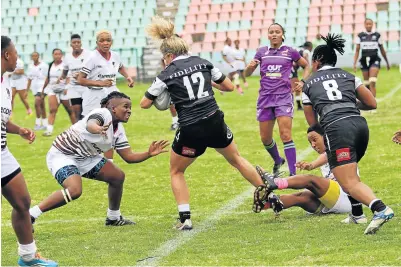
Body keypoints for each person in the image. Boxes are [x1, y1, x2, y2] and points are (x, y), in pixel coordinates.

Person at [140, 16, 265, 230]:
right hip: (214, 119)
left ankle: (185, 219)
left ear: (169, 55)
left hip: (191, 127)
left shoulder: (166, 73)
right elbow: (228, 87)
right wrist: (208, 85)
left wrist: (168, 94)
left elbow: (144, 103)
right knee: (236, 158)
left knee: (176, 171)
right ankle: (269, 196)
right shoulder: (203, 62)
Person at [29, 92, 169, 227]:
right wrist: (98, 129)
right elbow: (91, 123)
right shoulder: (103, 113)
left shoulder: (118, 130)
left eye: (130, 108)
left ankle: (113, 217)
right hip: (63, 154)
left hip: (86, 157)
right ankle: (31, 214)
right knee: (74, 190)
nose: (129, 110)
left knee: (117, 176)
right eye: (125, 107)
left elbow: (129, 157)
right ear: (113, 108)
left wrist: (148, 153)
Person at [301, 33, 393, 234]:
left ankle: (380, 209)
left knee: (348, 181)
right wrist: (348, 105)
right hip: (360, 126)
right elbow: (371, 103)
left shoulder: (308, 83)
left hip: (337, 128)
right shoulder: (349, 76)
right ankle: (357, 214)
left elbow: (313, 123)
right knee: (345, 174)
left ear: (316, 61)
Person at [1, 36, 58, 267]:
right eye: (16, 53)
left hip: (2, 152)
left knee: (23, 202)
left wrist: (19, 130)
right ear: (6, 55)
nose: (18, 58)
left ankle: (28, 256)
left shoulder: (5, 85)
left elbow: (2, 120)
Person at [254, 124, 368, 224]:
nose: (313, 145)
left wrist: (312, 165)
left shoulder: (339, 147)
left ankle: (276, 182)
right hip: (334, 199)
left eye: (314, 139)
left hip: (347, 198)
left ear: (326, 136)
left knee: (310, 180)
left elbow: (328, 155)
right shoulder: (328, 153)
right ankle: (267, 202)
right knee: (301, 197)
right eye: (310, 142)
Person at [244, 23, 310, 177]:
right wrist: (249, 67)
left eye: (277, 32)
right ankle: (278, 160)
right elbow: (246, 74)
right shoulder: (261, 52)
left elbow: (306, 66)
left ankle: (293, 174)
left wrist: (302, 81)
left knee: (285, 135)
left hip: (283, 98)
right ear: (268, 35)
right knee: (265, 138)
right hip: (265, 98)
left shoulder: (290, 52)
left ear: (282, 35)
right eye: (271, 32)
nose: (274, 34)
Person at [77, 30, 134, 117]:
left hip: (112, 92)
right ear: (97, 43)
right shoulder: (91, 57)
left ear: (112, 42)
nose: (105, 43)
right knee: (92, 124)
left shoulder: (115, 55)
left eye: (108, 40)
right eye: (102, 40)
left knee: (115, 119)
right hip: (94, 95)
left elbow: (120, 67)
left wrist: (127, 76)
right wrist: (100, 83)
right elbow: (80, 80)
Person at [353, 18, 390, 100]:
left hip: (375, 60)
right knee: (366, 84)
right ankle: (368, 103)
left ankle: (373, 104)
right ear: (364, 25)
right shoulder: (360, 36)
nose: (369, 25)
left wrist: (387, 62)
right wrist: (354, 63)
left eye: (370, 24)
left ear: (373, 25)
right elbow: (357, 50)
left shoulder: (377, 35)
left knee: (372, 81)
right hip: (364, 61)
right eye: (367, 24)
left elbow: (382, 50)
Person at [41, 49, 75, 136]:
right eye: (55, 54)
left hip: (63, 90)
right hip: (53, 90)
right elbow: (48, 78)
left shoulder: (65, 65)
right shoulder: (50, 65)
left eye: (59, 54)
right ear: (53, 55)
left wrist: (67, 87)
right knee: (52, 110)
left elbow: (68, 77)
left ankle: (76, 129)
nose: (57, 56)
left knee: (70, 111)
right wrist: (43, 90)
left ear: (62, 55)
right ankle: (49, 130)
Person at [60, 34, 91, 121]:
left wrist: (82, 75)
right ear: (71, 44)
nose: (76, 44)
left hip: (86, 87)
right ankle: (79, 132)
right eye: (74, 42)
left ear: (81, 43)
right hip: (74, 88)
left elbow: (93, 69)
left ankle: (88, 130)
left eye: (78, 42)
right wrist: (62, 78)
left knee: (86, 112)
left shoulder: (88, 54)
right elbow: (65, 70)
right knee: (77, 112)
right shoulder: (67, 56)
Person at [26, 52, 48, 130]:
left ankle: (38, 123)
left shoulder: (44, 65)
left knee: (36, 103)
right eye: (33, 56)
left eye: (36, 56)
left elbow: (47, 77)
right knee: (42, 105)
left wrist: (45, 88)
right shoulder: (30, 66)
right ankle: (45, 124)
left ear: (39, 56)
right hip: (34, 88)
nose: (34, 57)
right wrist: (27, 90)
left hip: (42, 87)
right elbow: (29, 78)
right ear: (31, 57)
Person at [290, 41, 313, 111]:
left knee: (295, 88)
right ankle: (291, 105)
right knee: (294, 88)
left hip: (291, 68)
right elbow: (305, 55)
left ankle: (298, 105)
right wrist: (307, 67)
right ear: (310, 47)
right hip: (290, 68)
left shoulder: (299, 49)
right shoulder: (306, 51)